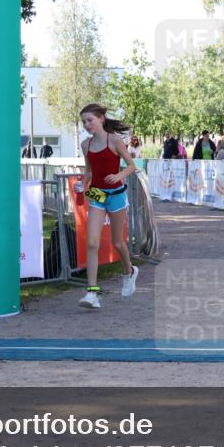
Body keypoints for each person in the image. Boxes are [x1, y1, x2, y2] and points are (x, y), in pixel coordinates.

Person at [75, 103, 139, 310]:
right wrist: (81, 183)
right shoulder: (86, 145)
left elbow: (131, 165)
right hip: (97, 194)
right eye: (84, 122)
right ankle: (92, 293)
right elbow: (89, 171)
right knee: (92, 243)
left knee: (118, 242)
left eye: (90, 120)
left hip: (117, 196)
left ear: (101, 119)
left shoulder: (115, 140)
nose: (86, 125)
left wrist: (119, 175)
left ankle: (129, 272)